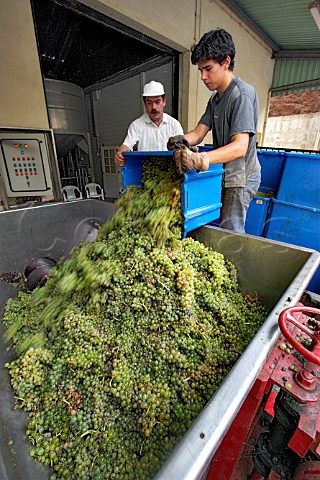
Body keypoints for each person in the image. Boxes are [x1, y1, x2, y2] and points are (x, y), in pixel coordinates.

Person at [168, 28, 261, 234]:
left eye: (208, 69)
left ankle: (233, 263)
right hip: (223, 170)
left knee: (231, 230)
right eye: (200, 70)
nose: (203, 76)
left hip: (240, 176)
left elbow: (239, 148)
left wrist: (201, 160)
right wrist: (182, 140)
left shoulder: (241, 95)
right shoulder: (216, 97)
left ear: (226, 62)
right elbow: (200, 131)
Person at [114, 81, 183, 166]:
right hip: (147, 171)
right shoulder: (136, 125)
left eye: (157, 102)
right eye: (149, 103)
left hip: (170, 171)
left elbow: (182, 149)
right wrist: (120, 154)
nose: (153, 107)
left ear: (164, 101)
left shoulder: (174, 125)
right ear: (145, 104)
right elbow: (127, 145)